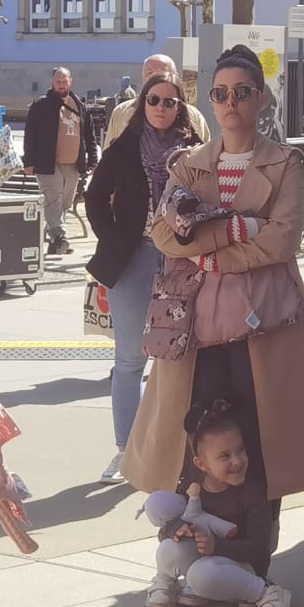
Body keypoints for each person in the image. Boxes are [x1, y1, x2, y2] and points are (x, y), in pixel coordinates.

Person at [124, 43, 304, 531]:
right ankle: (195, 542)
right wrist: (240, 228)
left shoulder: (287, 163)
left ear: (260, 97)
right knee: (196, 438)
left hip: (264, 324)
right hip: (195, 326)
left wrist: (205, 250)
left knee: (260, 440)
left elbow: (281, 241)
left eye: (241, 91)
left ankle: (254, 552)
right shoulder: (188, 163)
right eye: (220, 93)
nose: (230, 101)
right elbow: (163, 234)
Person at [86, 70, 201, 484]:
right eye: (154, 100)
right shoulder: (125, 147)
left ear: (180, 107)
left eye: (170, 102)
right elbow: (94, 196)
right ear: (142, 104)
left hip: (182, 260)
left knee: (181, 358)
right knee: (130, 360)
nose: (161, 108)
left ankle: (180, 451)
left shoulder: (194, 149)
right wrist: (113, 236)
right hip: (133, 258)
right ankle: (126, 452)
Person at [141, 397, 291, 607]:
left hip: (244, 565)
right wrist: (176, 528)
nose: (237, 461)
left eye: (241, 450)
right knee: (169, 548)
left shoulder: (252, 494)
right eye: (225, 456)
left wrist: (216, 546)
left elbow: (260, 548)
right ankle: (165, 582)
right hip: (208, 560)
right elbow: (170, 528)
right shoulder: (193, 485)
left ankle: (265, 593)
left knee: (201, 576)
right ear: (201, 464)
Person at [24, 65, 99, 255]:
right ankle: (60, 236)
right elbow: (30, 134)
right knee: (52, 199)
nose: (61, 85)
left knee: (65, 201)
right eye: (58, 82)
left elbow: (89, 135)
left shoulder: (79, 105)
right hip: (48, 163)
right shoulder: (40, 105)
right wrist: (29, 161)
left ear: (70, 82)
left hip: (73, 163)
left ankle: (54, 240)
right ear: (52, 83)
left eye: (64, 81)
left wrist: (93, 159)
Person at [104, 55, 209, 147]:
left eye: (162, 73)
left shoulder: (193, 116)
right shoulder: (122, 112)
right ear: (143, 78)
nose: (155, 78)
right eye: (150, 73)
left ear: (175, 77)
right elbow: (109, 156)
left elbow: (205, 156)